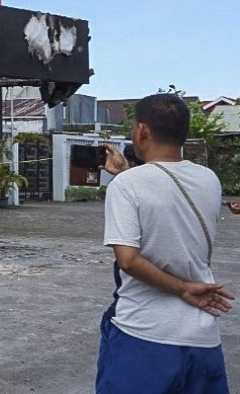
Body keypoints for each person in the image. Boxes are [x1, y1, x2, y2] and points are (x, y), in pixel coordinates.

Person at [96, 93, 233, 394]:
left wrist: (183, 288)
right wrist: (126, 173)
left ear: (142, 131)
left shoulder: (127, 186)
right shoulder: (209, 179)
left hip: (143, 335)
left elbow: (128, 260)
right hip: (202, 338)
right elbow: (164, 191)